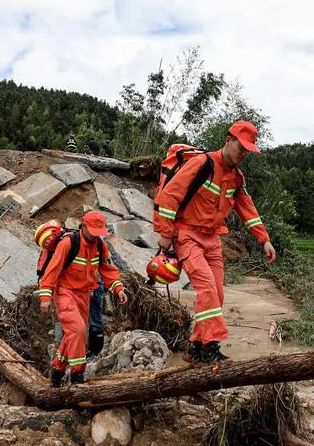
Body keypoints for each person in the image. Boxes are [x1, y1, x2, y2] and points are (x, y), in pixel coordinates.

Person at [153, 120, 276, 363]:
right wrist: (165, 232)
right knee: (207, 289)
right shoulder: (202, 163)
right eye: (241, 147)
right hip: (187, 235)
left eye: (247, 151)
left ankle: (196, 348)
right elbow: (170, 195)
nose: (243, 154)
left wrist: (264, 240)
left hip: (212, 239)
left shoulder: (237, 178)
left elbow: (247, 209)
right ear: (228, 141)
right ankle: (210, 348)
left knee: (217, 294)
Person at [38, 211, 127, 387]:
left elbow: (108, 269)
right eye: (92, 231)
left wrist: (118, 288)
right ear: (83, 226)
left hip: (84, 294)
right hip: (64, 292)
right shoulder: (68, 243)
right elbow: (52, 270)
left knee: (73, 334)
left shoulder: (100, 246)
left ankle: (57, 372)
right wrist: (45, 296)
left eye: (98, 232)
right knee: (78, 330)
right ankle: (78, 374)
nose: (95, 236)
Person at [35, 219, 107, 358]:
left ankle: (86, 356)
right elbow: (46, 273)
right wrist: (46, 296)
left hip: (88, 288)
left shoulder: (72, 242)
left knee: (87, 327)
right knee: (77, 329)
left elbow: (100, 265)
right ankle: (71, 365)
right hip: (70, 291)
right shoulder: (58, 247)